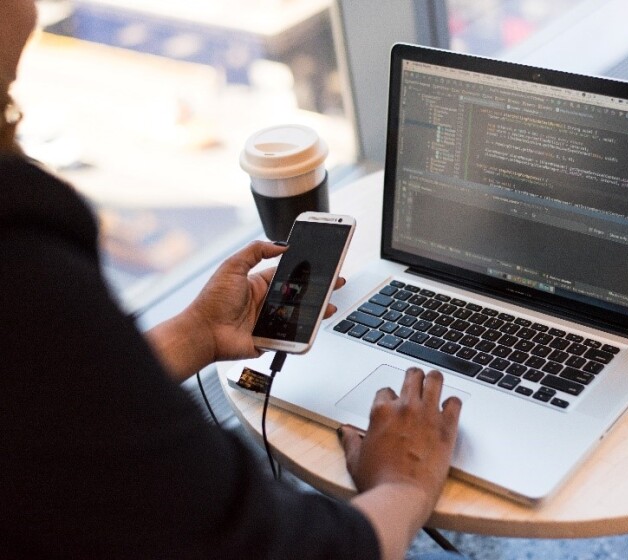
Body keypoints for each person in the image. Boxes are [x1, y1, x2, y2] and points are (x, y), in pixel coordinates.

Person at [0, 1, 463, 558]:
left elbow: (54, 407)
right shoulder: (23, 265)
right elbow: (278, 548)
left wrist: (196, 332)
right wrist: (403, 486)